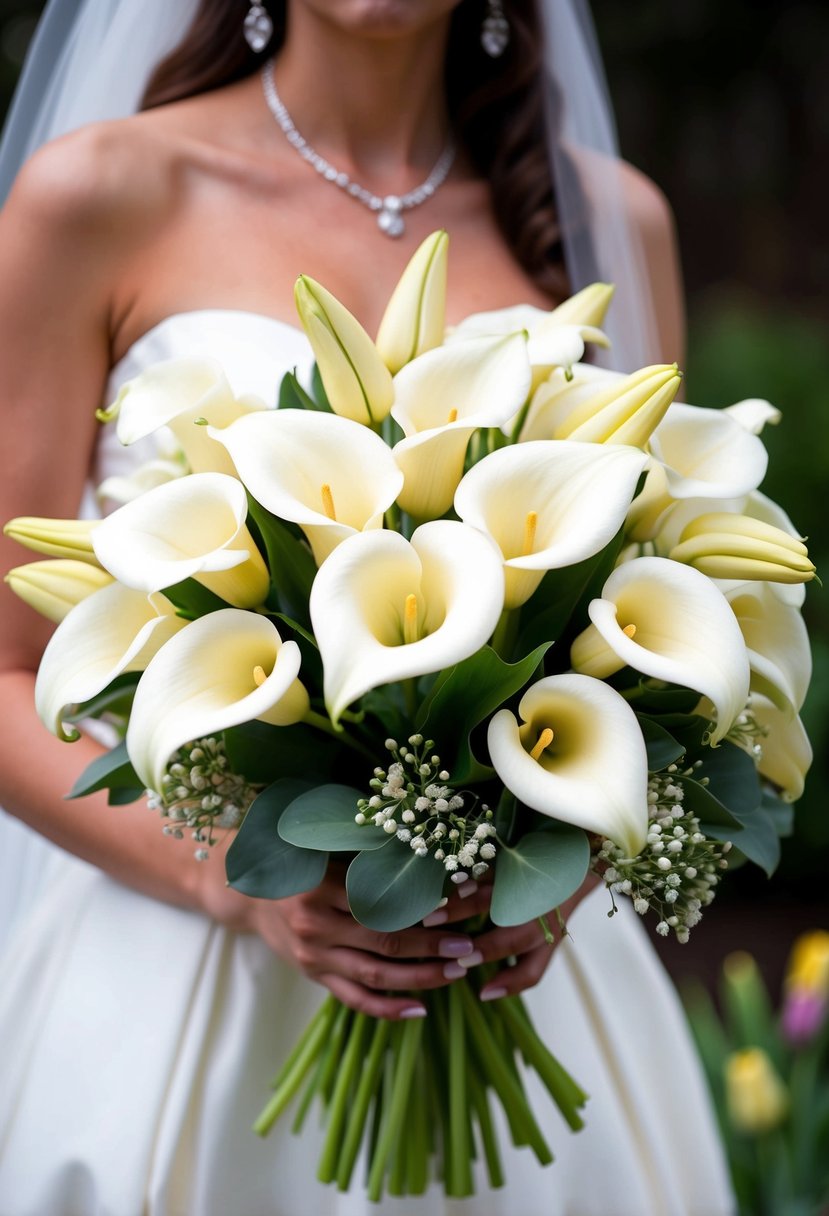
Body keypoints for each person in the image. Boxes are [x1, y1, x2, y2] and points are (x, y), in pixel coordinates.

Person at [0, 2, 733, 1213]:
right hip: (174, 988)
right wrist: (227, 881)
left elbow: (658, 615)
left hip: (521, 981)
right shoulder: (94, 195)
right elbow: (7, 671)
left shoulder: (613, 216)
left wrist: (566, 858)